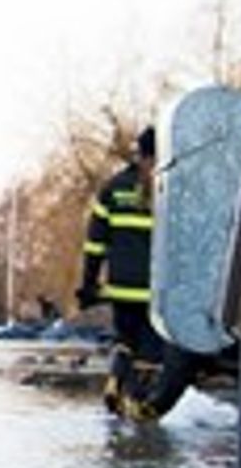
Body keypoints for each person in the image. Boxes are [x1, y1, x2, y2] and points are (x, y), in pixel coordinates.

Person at [76, 124, 202, 421]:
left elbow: (94, 244)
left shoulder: (111, 189)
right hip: (156, 291)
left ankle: (116, 378)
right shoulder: (173, 191)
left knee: (125, 340)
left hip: (120, 288)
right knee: (150, 353)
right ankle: (136, 408)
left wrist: (89, 286)